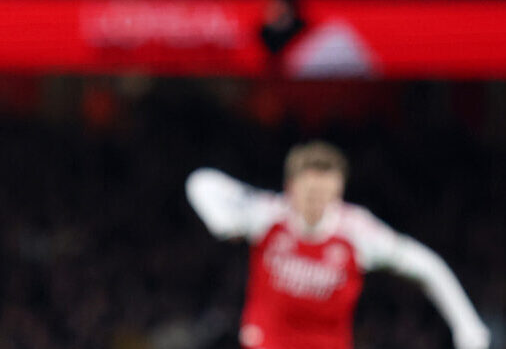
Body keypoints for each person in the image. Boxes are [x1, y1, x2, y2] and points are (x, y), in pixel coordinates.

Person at [186, 141, 491, 349]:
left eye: (324, 192)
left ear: (338, 191)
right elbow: (201, 181)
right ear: (291, 187)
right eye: (309, 191)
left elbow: (428, 267)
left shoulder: (357, 231)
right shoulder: (267, 214)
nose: (316, 201)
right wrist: (222, 221)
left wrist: (469, 327)